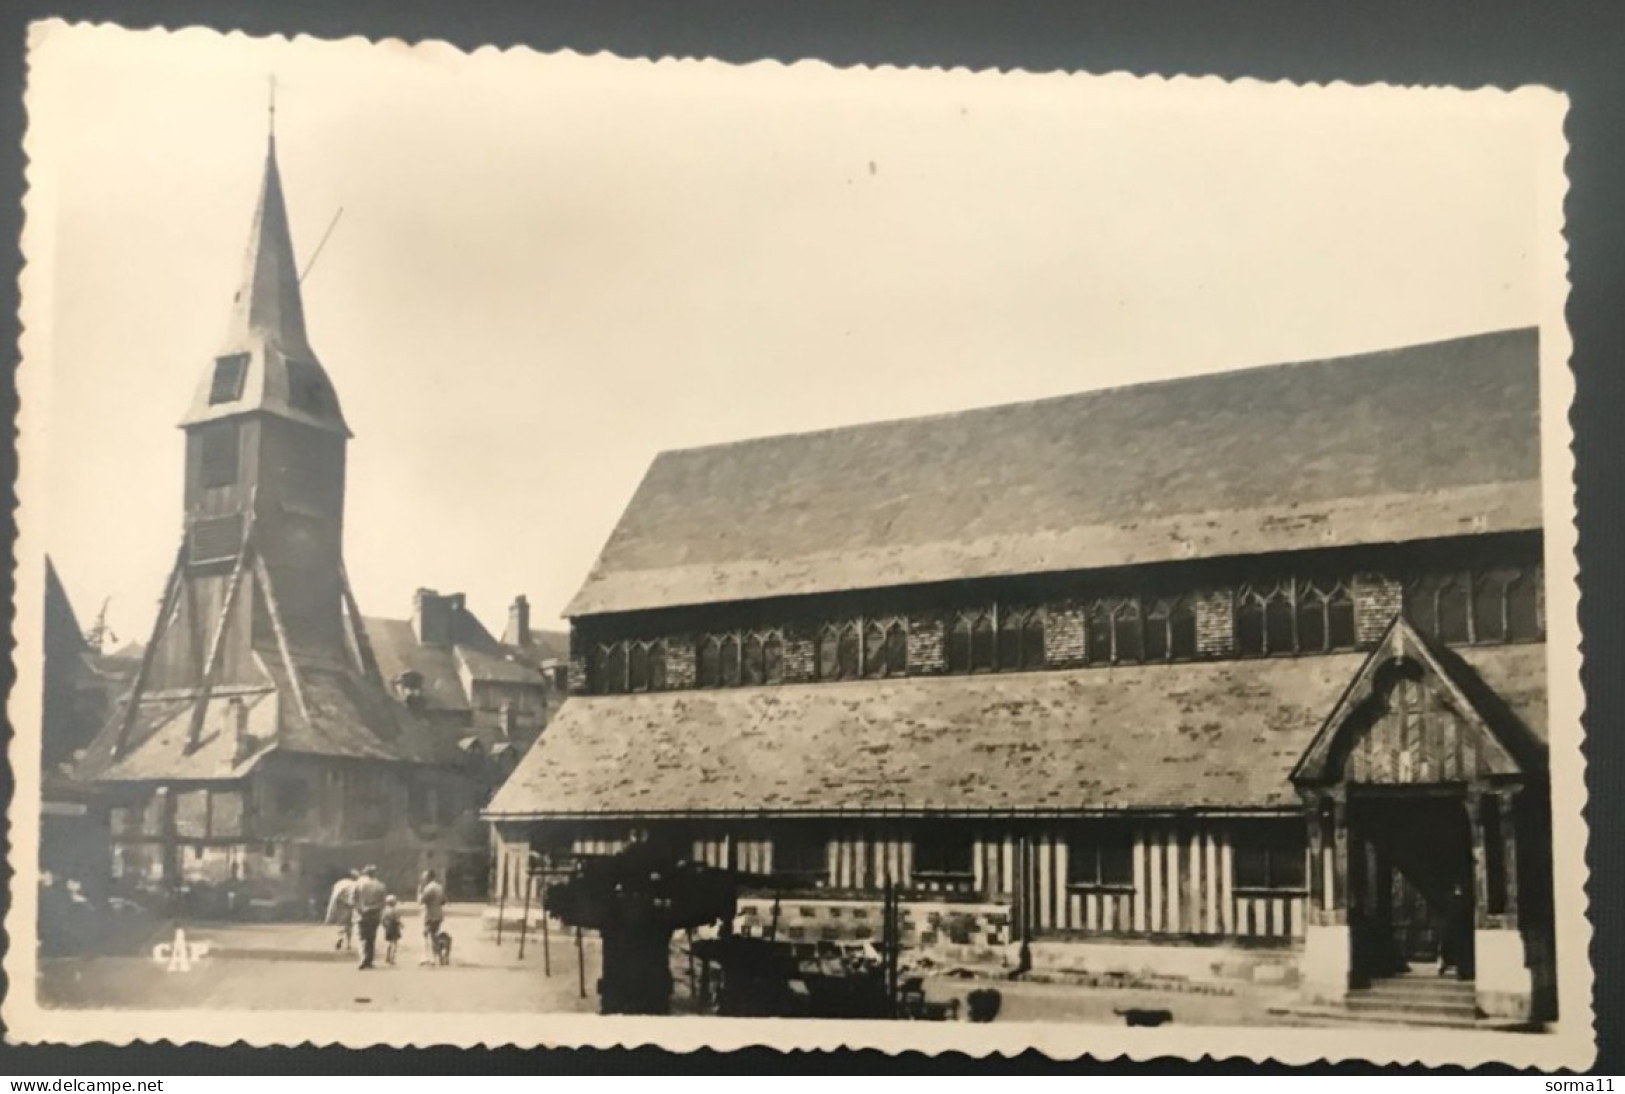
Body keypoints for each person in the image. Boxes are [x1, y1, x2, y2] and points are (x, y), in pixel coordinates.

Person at [353, 865, 388, 970]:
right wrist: (375, 908)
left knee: (361, 937)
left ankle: (363, 958)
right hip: (374, 914)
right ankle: (369, 960)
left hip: (361, 914)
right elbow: (383, 902)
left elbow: (353, 899)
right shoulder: (380, 885)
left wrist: (360, 909)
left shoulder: (359, 884)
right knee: (371, 938)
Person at [417, 869, 446, 967]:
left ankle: (429, 957)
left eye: (424, 877)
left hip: (429, 914)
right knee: (434, 935)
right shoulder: (439, 887)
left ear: (428, 877)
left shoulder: (428, 888)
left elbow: (421, 901)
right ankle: (436, 956)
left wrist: (419, 892)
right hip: (438, 913)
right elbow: (443, 901)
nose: (423, 879)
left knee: (427, 935)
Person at [325, 870, 359, 951]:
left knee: (341, 924)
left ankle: (340, 937)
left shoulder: (340, 883)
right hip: (351, 906)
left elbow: (335, 895)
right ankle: (348, 944)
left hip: (341, 906)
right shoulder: (355, 884)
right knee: (350, 925)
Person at [381, 896, 403, 965]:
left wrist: (385, 926)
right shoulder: (395, 910)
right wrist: (401, 924)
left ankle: (387, 957)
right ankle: (392, 958)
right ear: (394, 903)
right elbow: (397, 919)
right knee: (394, 943)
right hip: (394, 927)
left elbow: (382, 920)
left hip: (387, 928)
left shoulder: (384, 910)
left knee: (389, 943)